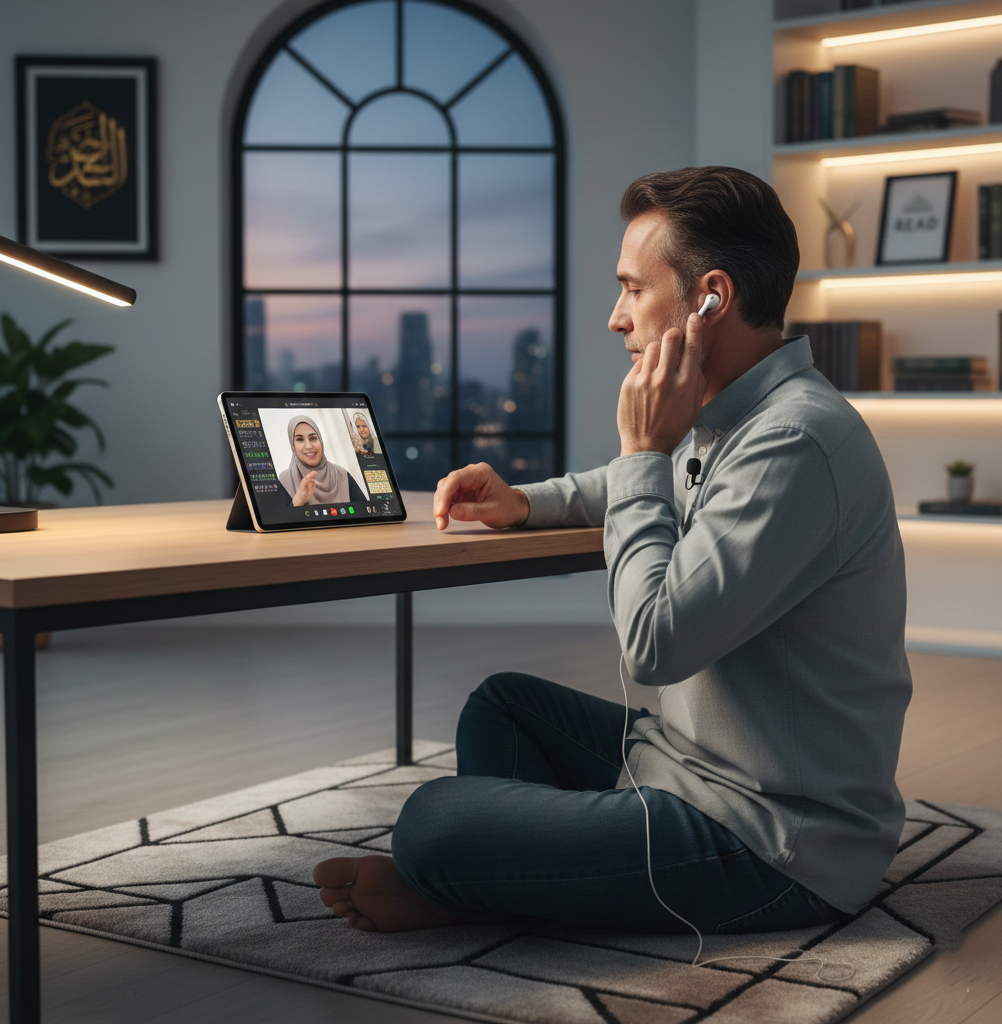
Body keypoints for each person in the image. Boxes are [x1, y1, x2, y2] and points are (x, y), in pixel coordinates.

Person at [314, 166, 912, 936]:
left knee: (431, 823)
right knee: (504, 706)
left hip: (771, 842)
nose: (615, 317)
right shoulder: (741, 416)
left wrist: (640, 451)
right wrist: (526, 501)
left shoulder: (795, 442)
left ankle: (475, 879)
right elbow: (640, 485)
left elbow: (655, 646)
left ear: (711, 298)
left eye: (632, 287)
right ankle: (510, 879)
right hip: (686, 768)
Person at [278, 415, 360, 507]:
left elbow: (366, 512)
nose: (308, 446)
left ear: (320, 440)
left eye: (313, 438)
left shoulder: (342, 475)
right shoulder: (284, 481)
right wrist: (297, 502)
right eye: (300, 439)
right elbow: (281, 519)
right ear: (293, 446)